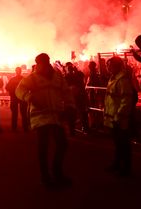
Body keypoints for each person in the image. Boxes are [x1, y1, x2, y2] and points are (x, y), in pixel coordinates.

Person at [16, 53, 77, 188]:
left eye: (44, 62)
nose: (42, 65)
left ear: (47, 62)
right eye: (40, 63)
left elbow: (66, 92)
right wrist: (29, 97)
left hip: (56, 116)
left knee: (62, 144)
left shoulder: (57, 77)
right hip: (40, 117)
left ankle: (57, 172)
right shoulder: (32, 78)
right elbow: (19, 90)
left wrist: (70, 107)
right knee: (43, 148)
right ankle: (45, 177)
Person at [104, 57, 137, 176]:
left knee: (124, 145)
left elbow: (126, 101)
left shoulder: (122, 80)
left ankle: (126, 169)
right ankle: (117, 164)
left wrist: (118, 116)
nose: (108, 68)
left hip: (120, 119)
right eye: (107, 65)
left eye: (110, 65)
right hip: (114, 118)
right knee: (118, 144)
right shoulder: (114, 79)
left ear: (117, 66)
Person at [65, 63, 88, 134]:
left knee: (73, 113)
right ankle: (84, 128)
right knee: (81, 112)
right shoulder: (77, 75)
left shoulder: (68, 76)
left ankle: (73, 129)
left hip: (74, 97)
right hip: (77, 97)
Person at [5, 67, 27, 131]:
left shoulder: (12, 79)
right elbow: (27, 88)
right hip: (22, 97)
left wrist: (12, 92)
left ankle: (14, 127)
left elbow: (7, 88)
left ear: (16, 71)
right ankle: (25, 128)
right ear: (20, 71)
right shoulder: (24, 79)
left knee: (14, 113)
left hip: (14, 97)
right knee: (24, 113)